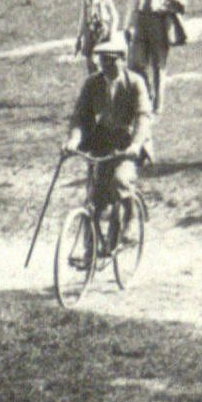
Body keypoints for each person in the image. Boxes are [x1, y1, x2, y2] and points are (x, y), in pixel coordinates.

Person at [64, 37, 152, 252]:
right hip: (102, 141)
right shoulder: (93, 83)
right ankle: (90, 250)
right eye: (102, 61)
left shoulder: (135, 83)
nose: (106, 66)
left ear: (123, 59)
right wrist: (74, 140)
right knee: (93, 198)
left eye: (111, 61)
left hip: (128, 141)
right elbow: (80, 116)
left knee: (121, 180)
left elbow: (143, 117)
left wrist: (136, 144)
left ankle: (130, 220)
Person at [124, 0, 187, 115]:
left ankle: (158, 105)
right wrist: (128, 26)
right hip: (141, 24)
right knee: (136, 64)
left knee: (159, 66)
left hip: (159, 24)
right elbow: (132, 6)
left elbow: (182, 3)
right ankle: (147, 95)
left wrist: (168, 7)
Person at [74, 0, 119, 71]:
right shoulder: (86, 0)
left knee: (100, 59)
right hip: (90, 32)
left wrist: (112, 32)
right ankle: (94, 82)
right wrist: (79, 37)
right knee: (90, 61)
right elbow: (83, 19)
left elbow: (114, 16)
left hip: (102, 31)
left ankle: (104, 81)